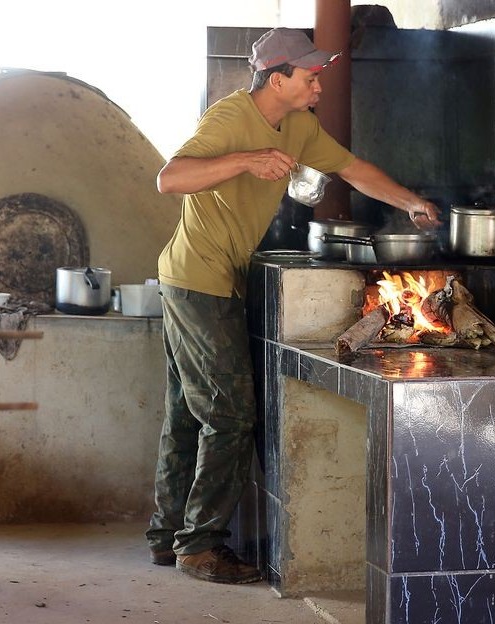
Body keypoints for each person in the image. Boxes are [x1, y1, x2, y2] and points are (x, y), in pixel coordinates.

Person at [147, 27, 441, 584]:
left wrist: (412, 202)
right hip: (196, 279)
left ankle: (169, 537)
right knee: (230, 414)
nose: (319, 85)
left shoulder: (300, 124)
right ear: (277, 78)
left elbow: (351, 169)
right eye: (310, 76)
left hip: (213, 278)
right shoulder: (230, 119)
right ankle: (200, 547)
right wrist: (245, 159)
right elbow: (170, 179)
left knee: (191, 412)